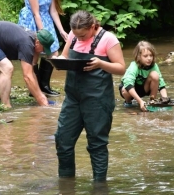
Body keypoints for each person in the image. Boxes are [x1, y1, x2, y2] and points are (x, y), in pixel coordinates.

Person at [54, 10, 126, 181]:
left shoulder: (108, 39)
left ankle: (99, 188)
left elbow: (121, 68)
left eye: (83, 35)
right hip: (73, 98)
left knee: (97, 144)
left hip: (98, 100)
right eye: (76, 35)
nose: (79, 39)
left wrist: (101, 63)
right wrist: (57, 61)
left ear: (93, 27)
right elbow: (65, 56)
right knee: (62, 140)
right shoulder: (73, 34)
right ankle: (66, 183)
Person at [0, 20, 55, 108]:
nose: (43, 51)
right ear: (38, 42)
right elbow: (27, 77)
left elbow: (31, 72)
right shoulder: (26, 44)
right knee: (7, 67)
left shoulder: (31, 38)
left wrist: (39, 93)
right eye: (43, 49)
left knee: (1, 65)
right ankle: (5, 105)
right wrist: (41, 99)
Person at [18, 0, 68, 96]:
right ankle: (35, 88)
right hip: (32, 21)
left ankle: (44, 85)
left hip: (46, 19)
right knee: (34, 54)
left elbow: (52, 11)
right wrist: (42, 33)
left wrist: (61, 30)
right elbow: (36, 14)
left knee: (53, 52)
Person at [119, 41, 168, 112]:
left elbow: (161, 83)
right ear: (139, 56)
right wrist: (140, 101)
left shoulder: (154, 66)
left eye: (151, 55)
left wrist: (165, 99)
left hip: (144, 88)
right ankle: (128, 103)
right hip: (131, 90)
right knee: (124, 89)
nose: (149, 58)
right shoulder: (134, 66)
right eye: (145, 56)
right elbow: (128, 84)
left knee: (155, 75)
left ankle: (152, 102)